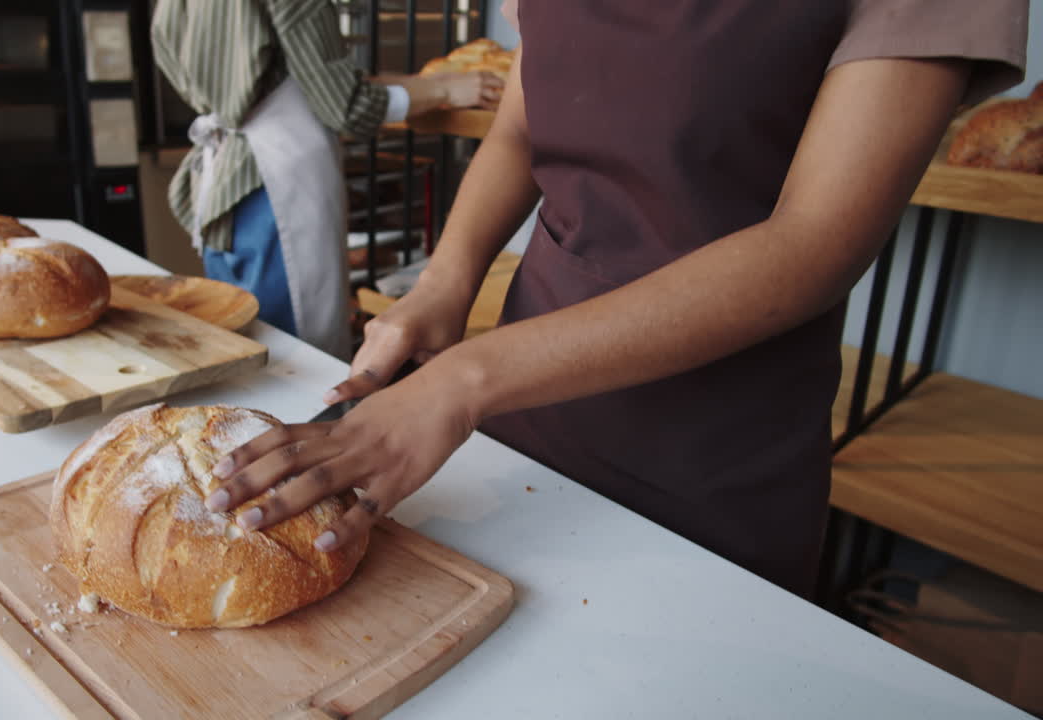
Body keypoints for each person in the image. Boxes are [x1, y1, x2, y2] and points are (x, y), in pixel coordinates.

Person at [202, 1, 1028, 597]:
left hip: (714, 450)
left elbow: (814, 243)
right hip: (523, 418)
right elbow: (525, 129)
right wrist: (448, 280)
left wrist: (463, 380)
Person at [150, 0, 503, 359]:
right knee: (298, 360)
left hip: (228, 186)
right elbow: (345, 106)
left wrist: (427, 83)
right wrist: (446, 91)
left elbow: (293, 77)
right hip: (276, 187)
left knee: (244, 348)